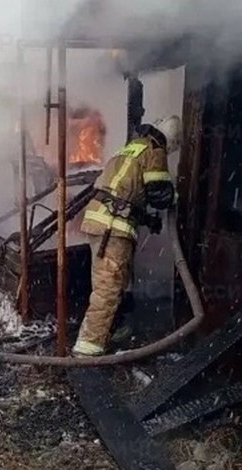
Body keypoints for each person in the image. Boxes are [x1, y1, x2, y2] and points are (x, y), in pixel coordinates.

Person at [72, 116, 182, 357]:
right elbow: (159, 195)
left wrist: (147, 220)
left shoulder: (132, 147)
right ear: (171, 141)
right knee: (108, 288)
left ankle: (110, 331)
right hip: (113, 227)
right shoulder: (155, 150)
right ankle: (87, 349)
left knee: (111, 283)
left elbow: (125, 193)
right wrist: (175, 195)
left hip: (99, 220)